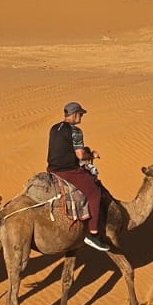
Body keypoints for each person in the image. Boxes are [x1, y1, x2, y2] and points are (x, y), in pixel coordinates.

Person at [48, 101, 112, 251]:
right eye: (81, 114)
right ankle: (93, 234)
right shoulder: (75, 131)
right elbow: (81, 155)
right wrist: (92, 155)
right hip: (68, 171)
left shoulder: (54, 128)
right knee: (95, 193)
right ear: (75, 114)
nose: (81, 117)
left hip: (52, 169)